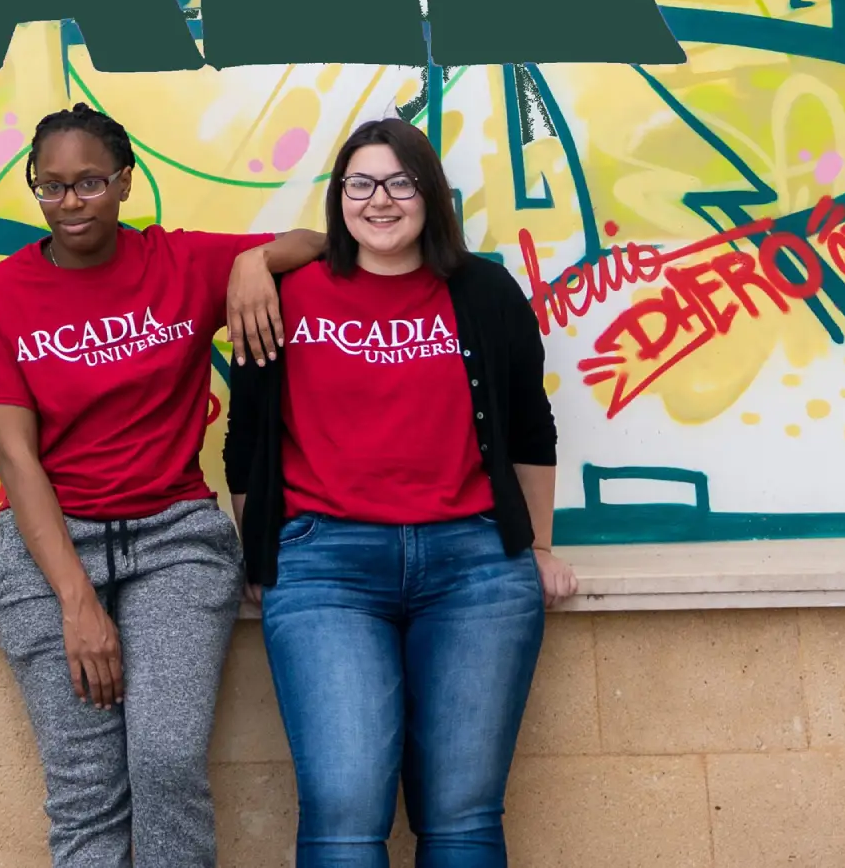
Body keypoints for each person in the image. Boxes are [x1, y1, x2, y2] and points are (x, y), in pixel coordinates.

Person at [0, 102, 325, 868]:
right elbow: (16, 459)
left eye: (90, 182)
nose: (70, 203)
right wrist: (76, 601)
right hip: (49, 552)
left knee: (165, 765)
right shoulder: (3, 292)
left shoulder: (181, 262)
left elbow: (323, 243)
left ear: (124, 182)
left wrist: (255, 262)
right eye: (50, 186)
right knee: (87, 789)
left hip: (174, 543)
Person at [223, 117, 580, 867]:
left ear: (430, 195)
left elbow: (528, 426)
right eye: (360, 183)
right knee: (346, 810)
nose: (379, 199)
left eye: (399, 182)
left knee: (462, 815)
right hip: (325, 570)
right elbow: (247, 440)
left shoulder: (481, 290)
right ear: (338, 197)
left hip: (476, 567)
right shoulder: (285, 293)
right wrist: (261, 554)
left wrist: (539, 545)